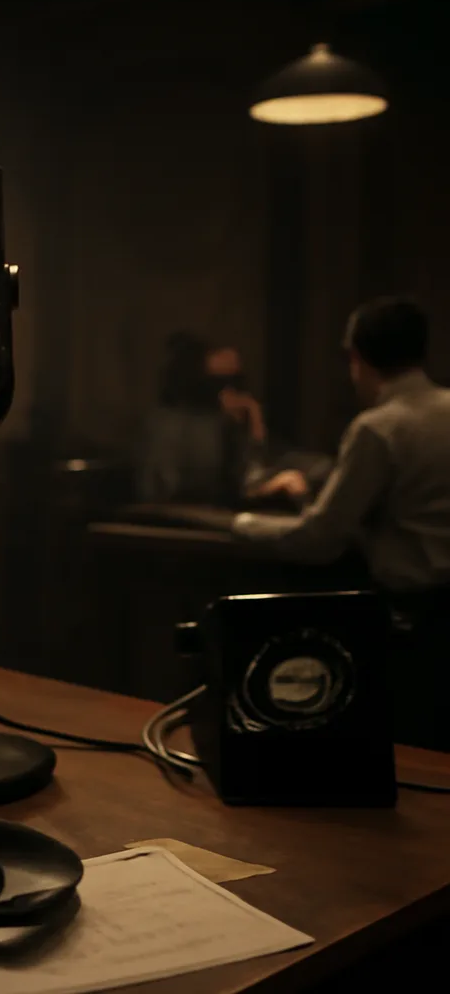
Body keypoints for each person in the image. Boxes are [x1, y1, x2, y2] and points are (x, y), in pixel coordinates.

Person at [233, 297, 450, 750]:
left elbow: (320, 540)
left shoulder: (379, 427)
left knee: (406, 753)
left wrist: (246, 523)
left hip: (414, 621)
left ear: (357, 357)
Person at [137, 332, 330, 506]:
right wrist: (276, 483)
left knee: (322, 469)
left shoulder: (229, 425)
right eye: (221, 385)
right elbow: (235, 487)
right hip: (200, 517)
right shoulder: (184, 428)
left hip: (248, 479)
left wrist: (255, 425)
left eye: (238, 383)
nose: (237, 395)